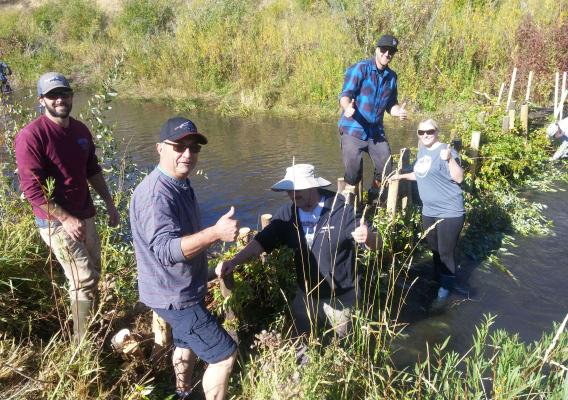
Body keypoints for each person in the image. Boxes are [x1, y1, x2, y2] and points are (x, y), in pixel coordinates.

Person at [129, 117, 238, 400]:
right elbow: (166, 250)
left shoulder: (180, 184)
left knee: (185, 342)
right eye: (179, 146)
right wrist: (215, 232)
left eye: (194, 147)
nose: (187, 153)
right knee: (223, 356)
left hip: (181, 288)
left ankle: (182, 393)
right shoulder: (157, 195)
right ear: (160, 148)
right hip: (174, 295)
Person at [216, 163, 381, 339]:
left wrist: (368, 236)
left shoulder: (341, 210)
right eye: (289, 190)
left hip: (340, 298)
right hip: (305, 295)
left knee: (343, 344)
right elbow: (260, 243)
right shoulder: (288, 213)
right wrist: (233, 261)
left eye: (298, 189)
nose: (292, 194)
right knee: (304, 340)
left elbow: (377, 243)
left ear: (313, 185)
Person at [14, 72, 119, 341]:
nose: (59, 99)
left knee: (94, 272)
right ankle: (81, 344)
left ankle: (91, 323)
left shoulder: (81, 130)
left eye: (64, 93)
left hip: (86, 213)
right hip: (55, 222)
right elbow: (32, 190)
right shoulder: (31, 136)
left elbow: (92, 170)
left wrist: (109, 204)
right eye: (52, 95)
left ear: (72, 96)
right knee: (83, 279)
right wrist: (66, 219)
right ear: (42, 100)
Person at [389, 119, 464, 305]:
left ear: (437, 132)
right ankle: (438, 280)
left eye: (429, 131)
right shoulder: (423, 150)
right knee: (435, 250)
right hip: (428, 211)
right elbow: (421, 174)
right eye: (421, 132)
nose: (425, 135)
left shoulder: (446, 151)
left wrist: (450, 159)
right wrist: (401, 176)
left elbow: (459, 177)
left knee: (446, 253)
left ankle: (444, 290)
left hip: (450, 211)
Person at [338, 34, 408, 202]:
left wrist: (396, 111)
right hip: (353, 127)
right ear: (377, 49)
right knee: (354, 171)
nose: (386, 54)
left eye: (391, 52)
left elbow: (391, 103)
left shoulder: (392, 77)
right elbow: (345, 94)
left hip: (375, 131)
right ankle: (350, 205)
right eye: (383, 50)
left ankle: (373, 199)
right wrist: (347, 107)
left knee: (386, 168)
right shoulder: (360, 68)